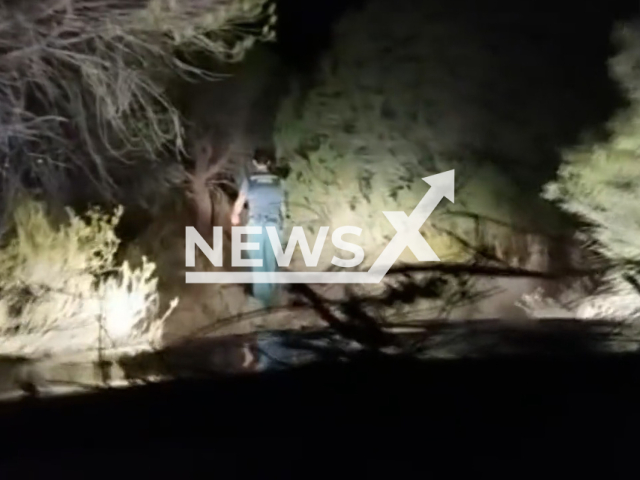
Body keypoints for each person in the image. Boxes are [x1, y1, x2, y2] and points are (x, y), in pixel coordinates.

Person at [231, 147, 286, 307]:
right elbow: (283, 207)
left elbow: (239, 203)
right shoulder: (280, 182)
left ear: (254, 162)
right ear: (269, 163)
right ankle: (270, 296)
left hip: (255, 225)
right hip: (274, 225)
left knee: (258, 261)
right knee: (270, 260)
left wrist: (234, 216)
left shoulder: (249, 182)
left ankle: (260, 301)